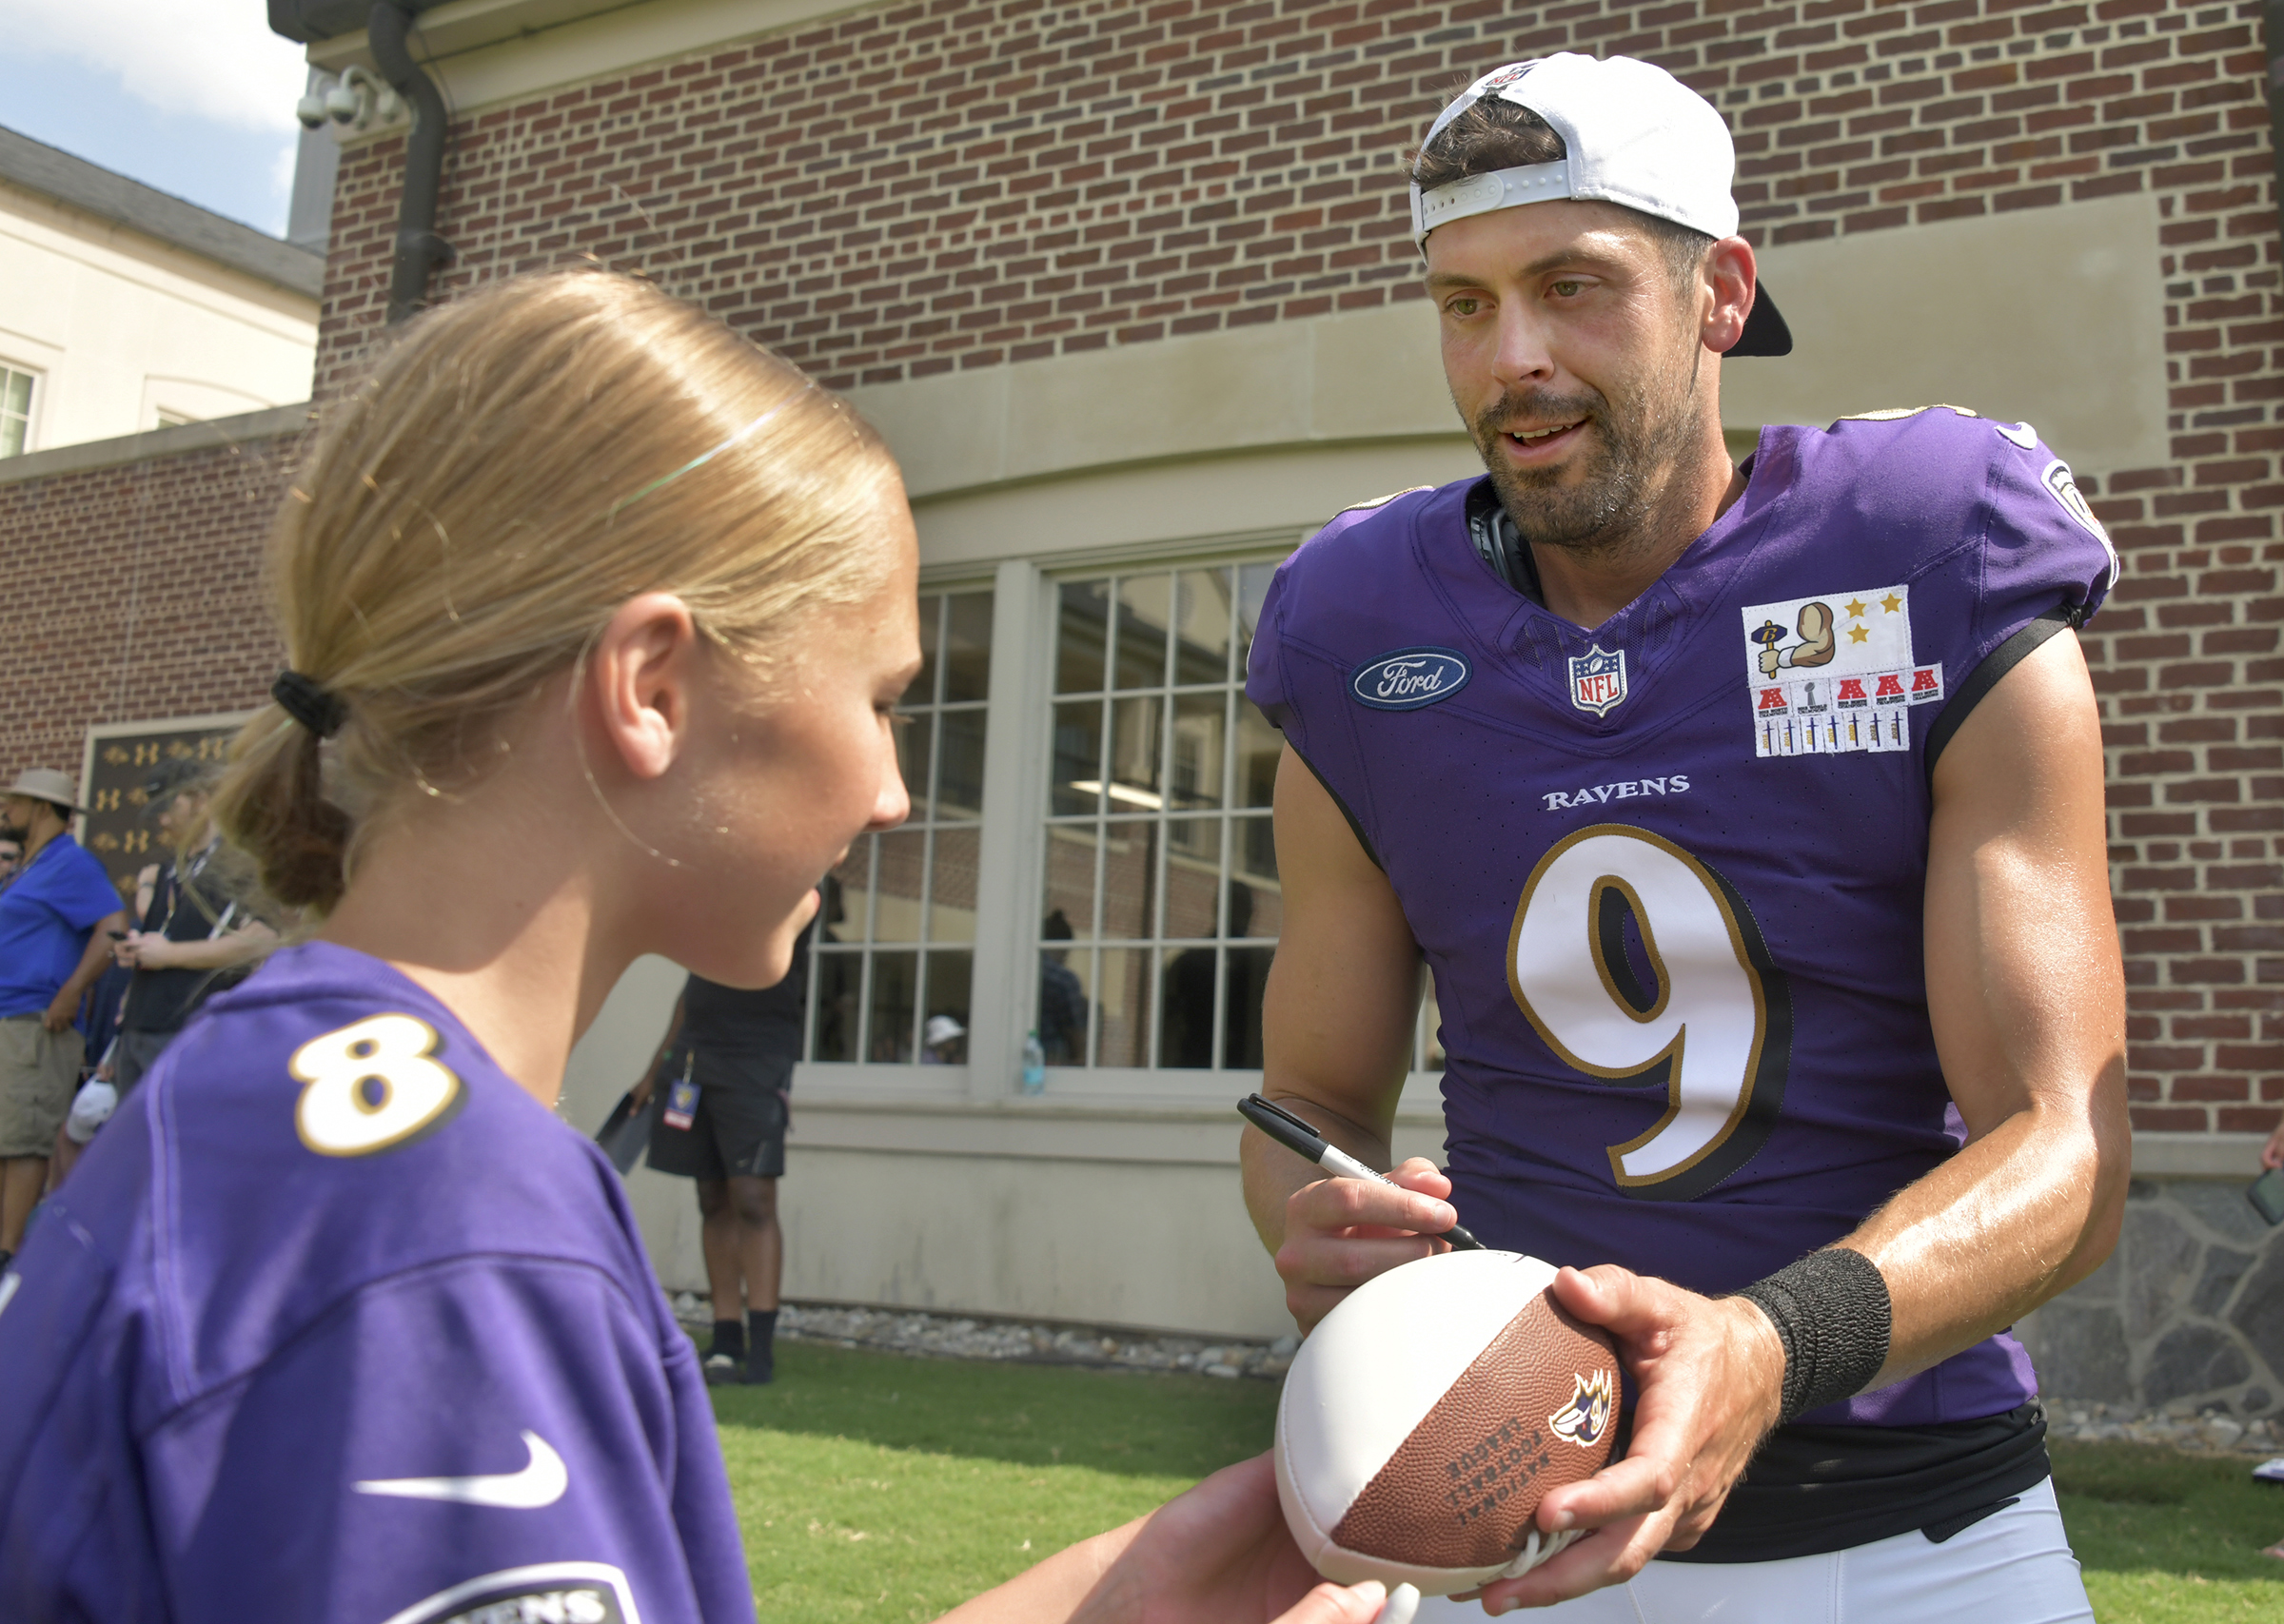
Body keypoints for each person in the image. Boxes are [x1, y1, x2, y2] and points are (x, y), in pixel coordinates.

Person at [0, 271, 1389, 1624]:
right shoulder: (445, 1229)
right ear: (653, 686)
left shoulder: (287, 1113)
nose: (893, 791)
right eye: (883, 696)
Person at [1239, 54, 2128, 1621]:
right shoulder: (1357, 629)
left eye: (1574, 287)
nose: (1512, 357)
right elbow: (1307, 1103)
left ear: (1720, 293)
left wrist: (1769, 1345)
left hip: (1914, 1535)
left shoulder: (1928, 546)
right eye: (1463, 303)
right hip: (1520, 1527)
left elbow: (2062, 1144)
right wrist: (1313, 1218)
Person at [633, 922, 813, 1387]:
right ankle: (726, 1339)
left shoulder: (791, 891)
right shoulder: (714, 900)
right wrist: (655, 1069)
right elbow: (690, 994)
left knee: (753, 1198)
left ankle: (762, 1351)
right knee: (712, 1197)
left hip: (757, 1057)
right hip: (695, 1059)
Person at [0, 767, 128, 1265]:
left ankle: (9, 1253)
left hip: (36, 1022)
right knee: (6, 1135)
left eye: (16, 801)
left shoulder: (70, 863)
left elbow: (114, 925)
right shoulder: (29, 868)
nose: (7, 809)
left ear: (43, 809)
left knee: (23, 1142)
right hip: (11, 1019)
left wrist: (72, 991)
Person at [107, 759, 276, 1092]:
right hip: (139, 1025)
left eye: (170, 808)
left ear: (199, 800)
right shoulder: (173, 867)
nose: (164, 821)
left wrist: (171, 954)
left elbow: (261, 941)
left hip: (190, 1028)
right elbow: (166, 939)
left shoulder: (236, 861)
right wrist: (138, 950)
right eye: (156, 813)